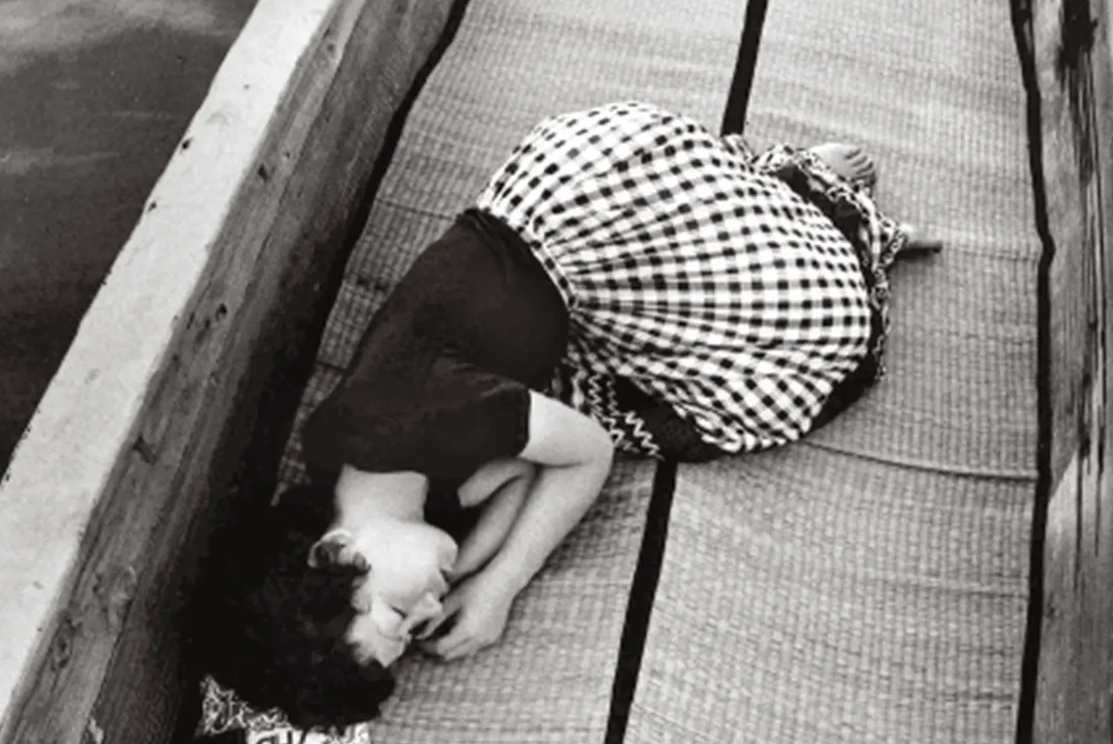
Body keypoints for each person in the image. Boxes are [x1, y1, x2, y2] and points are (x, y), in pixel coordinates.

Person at [290, 100, 938, 695]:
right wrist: (466, 570)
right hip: (581, 287)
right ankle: (774, 207)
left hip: (597, 201)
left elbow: (587, 453)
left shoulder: (417, 413)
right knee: (673, 388)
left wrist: (501, 585)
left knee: (826, 339)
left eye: (398, 612)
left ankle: (803, 191)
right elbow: (517, 476)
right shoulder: (373, 488)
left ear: (337, 552)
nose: (428, 610)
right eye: (414, 631)